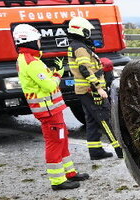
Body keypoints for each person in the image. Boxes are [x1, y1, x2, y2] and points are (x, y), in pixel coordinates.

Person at [13, 24, 87, 191]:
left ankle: (69, 172)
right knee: (55, 142)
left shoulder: (27, 60)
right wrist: (57, 74)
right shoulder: (32, 63)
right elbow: (49, 86)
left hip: (51, 109)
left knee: (62, 138)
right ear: (30, 42)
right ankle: (58, 180)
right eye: (38, 40)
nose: (40, 43)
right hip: (48, 110)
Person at [66, 16, 122, 160]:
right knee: (104, 119)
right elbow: (85, 69)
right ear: (81, 31)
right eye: (87, 31)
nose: (89, 33)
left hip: (84, 90)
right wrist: (99, 88)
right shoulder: (79, 48)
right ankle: (120, 150)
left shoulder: (77, 46)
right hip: (90, 90)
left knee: (91, 120)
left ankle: (95, 150)